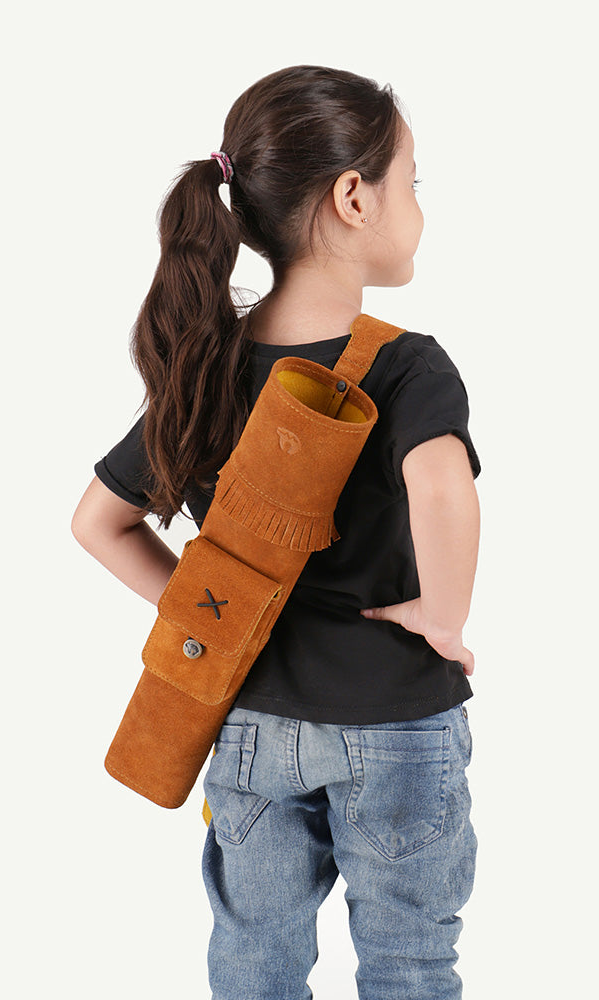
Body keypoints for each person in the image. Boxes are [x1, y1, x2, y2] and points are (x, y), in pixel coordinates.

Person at [71, 64, 482, 1000]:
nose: (418, 205)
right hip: (396, 716)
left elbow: (99, 520)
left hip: (252, 722)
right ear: (354, 197)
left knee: (254, 960)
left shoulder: (207, 367)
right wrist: (443, 618)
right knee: (410, 963)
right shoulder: (407, 366)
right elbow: (444, 489)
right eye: (412, 182)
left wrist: (212, 606)